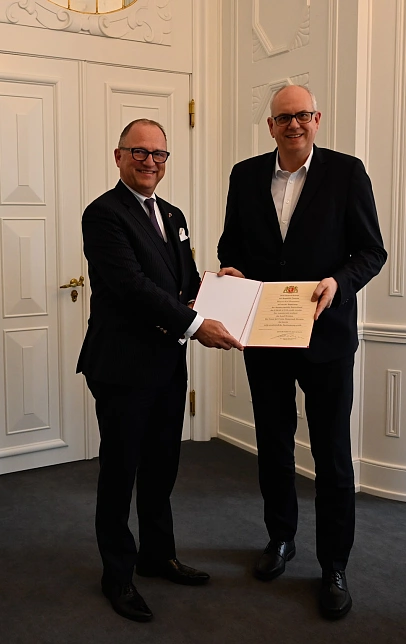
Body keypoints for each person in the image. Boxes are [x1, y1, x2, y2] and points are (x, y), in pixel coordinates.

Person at [217, 85, 387, 619]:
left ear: (317, 119)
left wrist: (340, 279)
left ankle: (334, 564)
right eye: (283, 117)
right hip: (265, 335)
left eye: (303, 116)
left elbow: (371, 251)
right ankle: (280, 539)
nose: (294, 125)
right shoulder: (245, 175)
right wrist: (233, 272)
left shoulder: (346, 172)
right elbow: (232, 246)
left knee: (333, 457)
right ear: (270, 126)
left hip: (327, 337)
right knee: (273, 445)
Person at [78, 118, 242, 623]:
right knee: (121, 470)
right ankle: (118, 574)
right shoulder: (103, 215)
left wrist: (218, 284)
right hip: (123, 367)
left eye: (160, 154)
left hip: (167, 364)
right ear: (118, 156)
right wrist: (197, 324)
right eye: (140, 152)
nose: (151, 161)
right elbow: (132, 288)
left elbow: (183, 280)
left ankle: (157, 554)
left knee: (161, 467)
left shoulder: (172, 213)